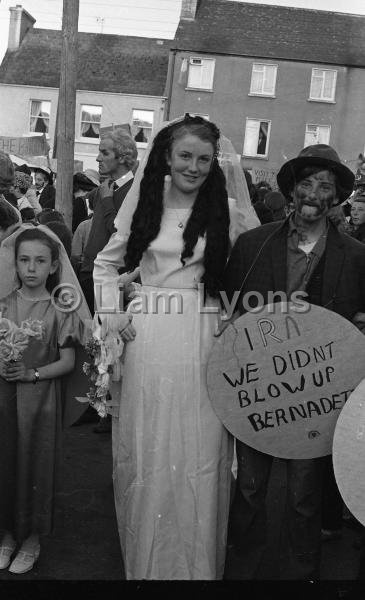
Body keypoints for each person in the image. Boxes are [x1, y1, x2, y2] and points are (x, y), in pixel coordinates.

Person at [93, 114, 259, 580]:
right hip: (149, 335)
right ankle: (149, 563)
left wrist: (236, 319)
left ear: (215, 162)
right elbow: (106, 264)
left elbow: (248, 270)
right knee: (148, 444)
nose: (194, 166)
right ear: (166, 155)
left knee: (202, 451)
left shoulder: (227, 207)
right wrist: (111, 314)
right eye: (185, 155)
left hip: (207, 334)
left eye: (204, 159)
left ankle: (197, 567)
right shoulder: (143, 199)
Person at [221, 143, 365, 580]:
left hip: (318, 395)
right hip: (259, 390)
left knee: (305, 494)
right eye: (306, 183)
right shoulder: (252, 245)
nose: (314, 193)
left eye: (325, 186)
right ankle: (241, 567)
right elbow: (230, 313)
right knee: (248, 488)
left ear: (336, 196)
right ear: (292, 190)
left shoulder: (357, 257)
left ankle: (304, 574)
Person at [0, 224, 91, 575]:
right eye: (24, 260)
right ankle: (7, 533)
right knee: (5, 460)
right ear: (15, 264)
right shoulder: (4, 304)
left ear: (54, 266)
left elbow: (68, 362)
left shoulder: (60, 309)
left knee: (37, 463)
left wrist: (31, 374)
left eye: (40, 261)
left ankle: (33, 538)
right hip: (4, 399)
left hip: (41, 401)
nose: (31, 268)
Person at [79, 129, 138, 314]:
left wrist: (106, 201)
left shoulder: (133, 191)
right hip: (90, 271)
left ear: (122, 157)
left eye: (105, 153)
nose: (98, 158)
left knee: (105, 336)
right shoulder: (106, 187)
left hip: (111, 277)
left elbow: (120, 233)